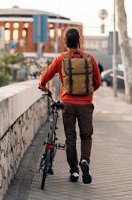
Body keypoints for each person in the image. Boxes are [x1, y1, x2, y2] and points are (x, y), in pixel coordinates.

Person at [39, 28, 101, 184]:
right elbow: (98, 82)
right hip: (86, 104)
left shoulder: (61, 59)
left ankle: (74, 172)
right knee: (86, 135)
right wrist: (88, 93)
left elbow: (45, 76)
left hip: (67, 104)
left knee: (70, 137)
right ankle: (85, 160)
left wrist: (42, 86)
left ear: (65, 42)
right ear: (79, 41)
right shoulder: (90, 58)